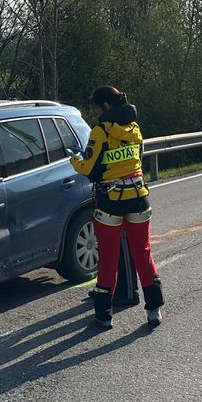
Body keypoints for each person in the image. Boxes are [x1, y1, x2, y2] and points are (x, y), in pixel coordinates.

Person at [70, 86, 164, 329]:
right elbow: (138, 159)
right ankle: (154, 310)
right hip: (139, 197)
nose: (94, 113)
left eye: (95, 109)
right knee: (143, 253)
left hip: (111, 202)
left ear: (105, 107)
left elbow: (87, 167)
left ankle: (104, 315)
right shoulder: (135, 129)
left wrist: (73, 159)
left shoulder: (100, 132)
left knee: (109, 259)